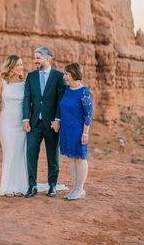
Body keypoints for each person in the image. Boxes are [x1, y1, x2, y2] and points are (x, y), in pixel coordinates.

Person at [22, 46, 65, 198]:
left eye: (38, 58)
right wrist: (26, 119)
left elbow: (61, 99)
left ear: (47, 58)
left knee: (53, 156)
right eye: (34, 58)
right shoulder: (31, 76)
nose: (35, 61)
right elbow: (27, 98)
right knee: (31, 153)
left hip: (52, 123)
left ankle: (52, 185)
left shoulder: (59, 76)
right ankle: (32, 185)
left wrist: (58, 119)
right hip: (34, 123)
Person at [0, 55, 28, 197]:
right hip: (6, 123)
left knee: (20, 153)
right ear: (10, 66)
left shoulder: (25, 83)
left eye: (21, 65)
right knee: (10, 153)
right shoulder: (2, 82)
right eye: (17, 65)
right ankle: (8, 186)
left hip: (21, 123)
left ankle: (21, 186)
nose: (20, 68)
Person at [59, 63, 93, 200]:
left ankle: (80, 189)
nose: (64, 76)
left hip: (78, 130)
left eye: (66, 73)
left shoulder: (84, 91)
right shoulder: (66, 90)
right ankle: (74, 188)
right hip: (66, 130)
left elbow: (88, 114)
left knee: (80, 158)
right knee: (70, 159)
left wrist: (85, 133)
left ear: (73, 74)